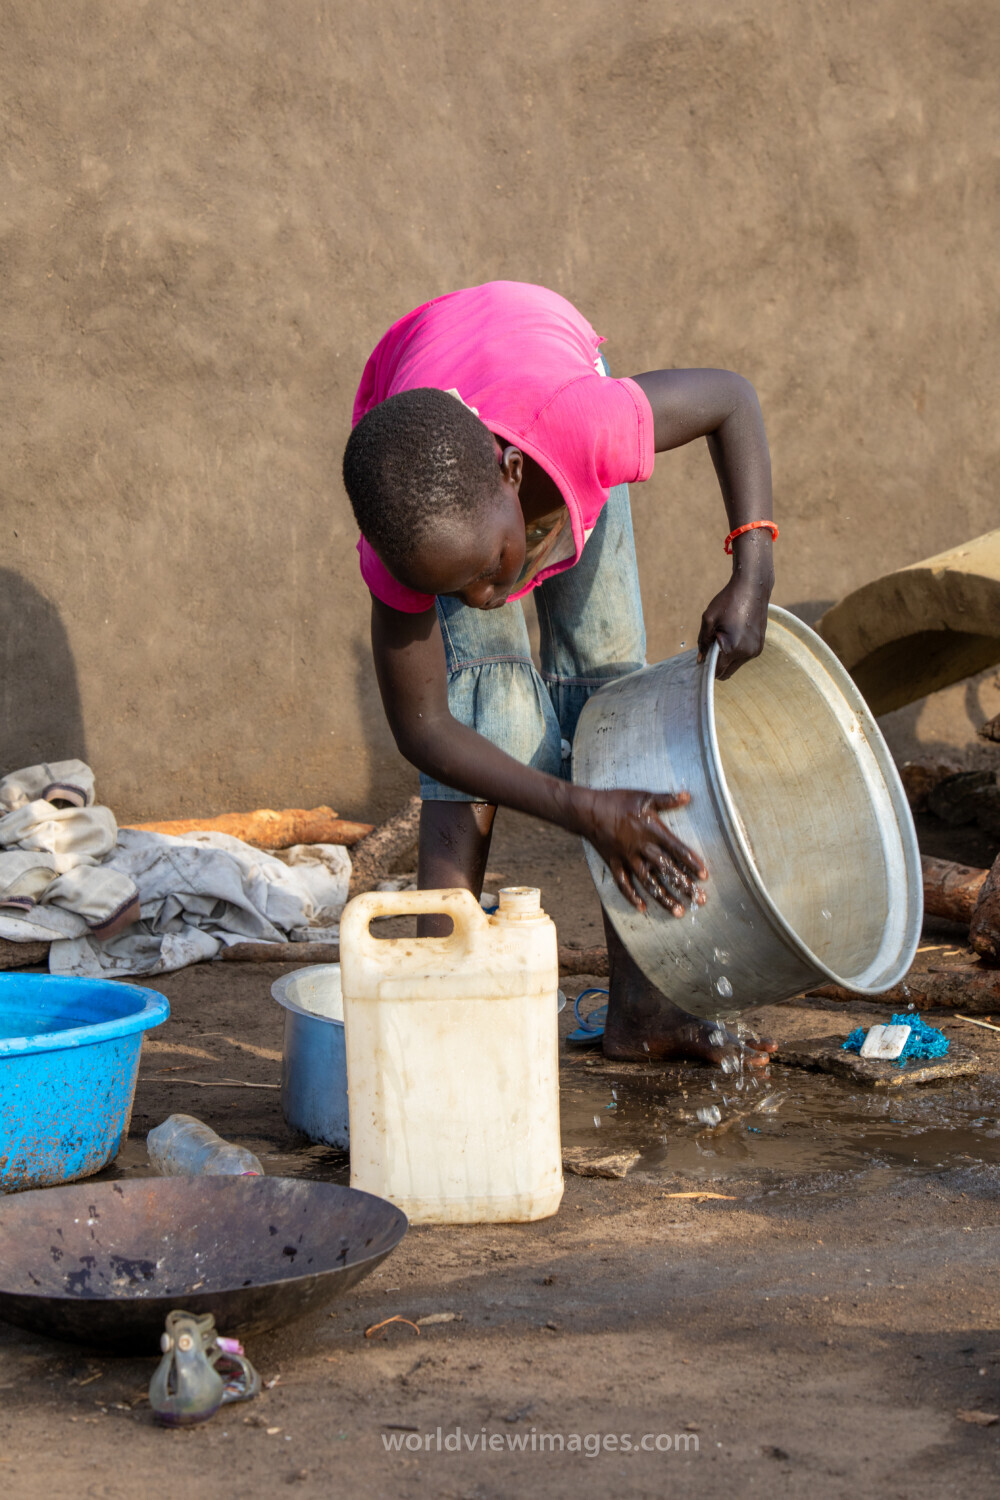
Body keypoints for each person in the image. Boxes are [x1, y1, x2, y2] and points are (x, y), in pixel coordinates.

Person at [343, 281, 778, 1066]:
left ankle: (643, 1012)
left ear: (510, 474)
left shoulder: (588, 424)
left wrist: (753, 569)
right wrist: (576, 805)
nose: (486, 596)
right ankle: (437, 1024)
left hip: (541, 380)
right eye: (457, 590)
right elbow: (426, 730)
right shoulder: (409, 546)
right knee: (488, 709)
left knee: (612, 691)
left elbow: (731, 399)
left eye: (494, 567)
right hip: (414, 400)